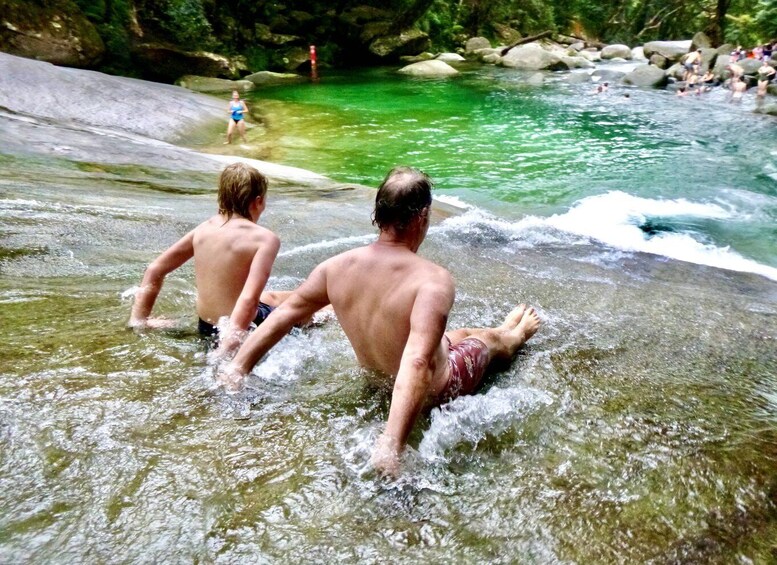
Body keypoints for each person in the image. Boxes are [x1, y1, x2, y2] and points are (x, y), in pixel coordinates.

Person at [218, 166, 541, 476]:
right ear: (422, 216)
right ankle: (512, 336)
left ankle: (497, 330)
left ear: (378, 215)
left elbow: (283, 316)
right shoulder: (432, 281)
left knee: (458, 333)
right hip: (435, 391)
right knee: (485, 342)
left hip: (379, 377)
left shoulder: (336, 266)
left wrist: (237, 368)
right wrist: (391, 446)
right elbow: (417, 361)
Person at [129, 162, 288, 347]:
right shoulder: (265, 239)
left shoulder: (205, 228)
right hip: (242, 328)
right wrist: (226, 351)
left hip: (206, 326)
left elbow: (155, 269)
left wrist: (140, 320)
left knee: (275, 297)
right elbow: (249, 300)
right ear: (258, 201)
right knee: (309, 308)